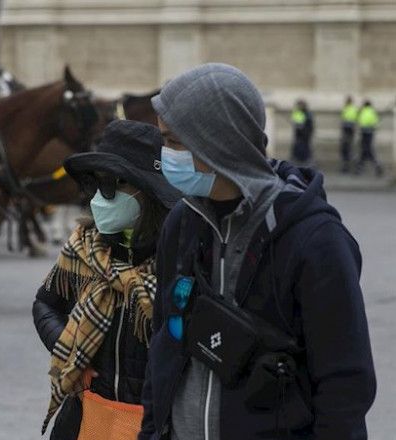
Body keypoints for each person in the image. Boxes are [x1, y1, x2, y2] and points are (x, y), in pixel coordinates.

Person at [140, 63, 376, 440]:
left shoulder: (315, 239)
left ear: (216, 142)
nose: (163, 155)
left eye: (173, 143)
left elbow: (345, 382)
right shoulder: (181, 223)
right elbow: (164, 346)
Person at [33, 120, 181, 440]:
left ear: (150, 193)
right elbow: (45, 303)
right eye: (98, 183)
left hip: (152, 423)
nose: (102, 196)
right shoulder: (84, 245)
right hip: (87, 416)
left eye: (114, 184)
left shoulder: (180, 258)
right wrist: (73, 355)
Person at [356, 100, 384, 177]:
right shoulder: (372, 112)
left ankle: (360, 167)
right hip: (370, 132)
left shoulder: (363, 111)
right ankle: (376, 166)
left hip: (364, 132)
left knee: (366, 150)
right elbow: (376, 122)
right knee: (367, 149)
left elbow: (360, 121)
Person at [290, 99, 313, 165]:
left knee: (305, 147)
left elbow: (309, 124)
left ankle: (305, 159)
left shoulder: (307, 113)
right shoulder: (297, 112)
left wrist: (304, 129)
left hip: (305, 133)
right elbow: (294, 120)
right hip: (298, 133)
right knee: (297, 146)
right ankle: (297, 159)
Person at [340, 96, 358, 173]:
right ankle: (346, 165)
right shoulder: (347, 108)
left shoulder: (351, 109)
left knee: (348, 149)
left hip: (349, 130)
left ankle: (349, 165)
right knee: (345, 148)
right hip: (347, 129)